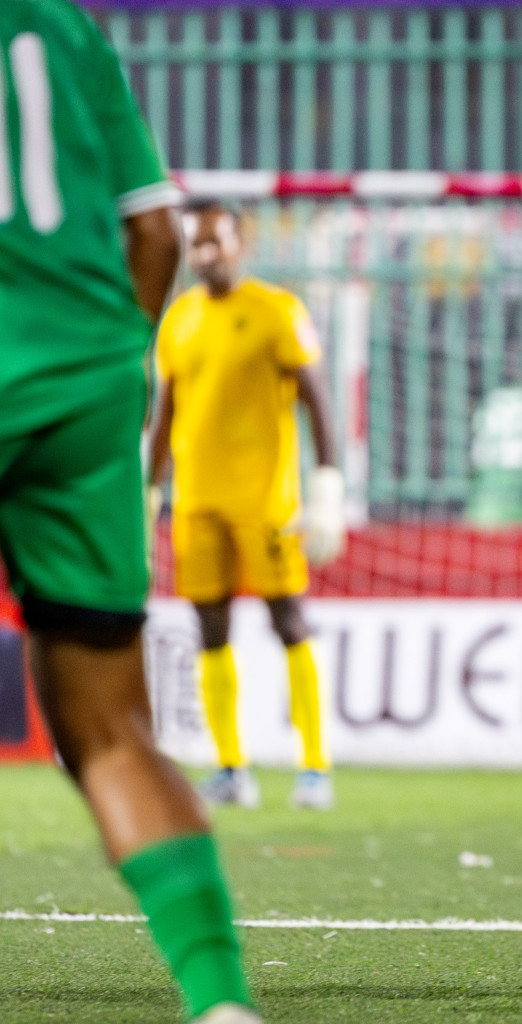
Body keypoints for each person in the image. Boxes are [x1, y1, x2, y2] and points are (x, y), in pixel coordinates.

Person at [0, 3, 259, 1021]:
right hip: (89, 385)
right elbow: (152, 229)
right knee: (109, 728)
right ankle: (220, 1002)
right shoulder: (61, 26)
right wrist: (104, 366)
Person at [147, 198, 345, 811]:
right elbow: (167, 413)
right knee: (209, 628)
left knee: (289, 621)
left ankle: (314, 765)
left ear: (239, 242)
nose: (204, 255)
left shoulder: (276, 312)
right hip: (198, 502)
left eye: (214, 242)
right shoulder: (179, 319)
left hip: (266, 501)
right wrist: (149, 488)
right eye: (195, 245)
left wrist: (328, 481)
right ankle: (232, 765)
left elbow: (317, 399)